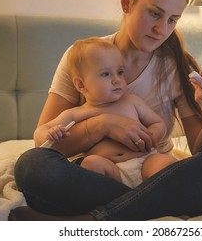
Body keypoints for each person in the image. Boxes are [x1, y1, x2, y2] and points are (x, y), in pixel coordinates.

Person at [10, 0, 202, 221]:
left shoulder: (176, 66)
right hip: (99, 176)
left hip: (152, 169)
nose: (161, 30)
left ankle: (94, 219)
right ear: (127, 1)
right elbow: (45, 145)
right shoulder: (84, 58)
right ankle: (161, 203)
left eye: (172, 20)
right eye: (154, 13)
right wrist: (103, 125)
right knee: (32, 166)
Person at [36, 37, 177, 188]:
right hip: (111, 171)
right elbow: (40, 135)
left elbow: (157, 123)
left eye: (120, 72)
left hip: (144, 161)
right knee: (91, 163)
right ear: (81, 85)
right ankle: (129, 201)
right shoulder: (75, 114)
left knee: (167, 164)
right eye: (106, 74)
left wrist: (150, 136)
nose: (117, 80)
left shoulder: (131, 101)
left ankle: (138, 200)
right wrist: (52, 133)